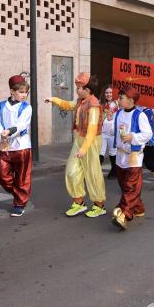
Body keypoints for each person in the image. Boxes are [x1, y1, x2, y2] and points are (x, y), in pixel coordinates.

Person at [45, 73, 106, 217]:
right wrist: (53, 99)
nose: (76, 91)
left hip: (90, 142)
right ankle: (79, 202)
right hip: (79, 139)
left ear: (87, 90)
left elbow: (92, 129)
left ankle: (99, 205)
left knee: (92, 173)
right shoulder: (81, 101)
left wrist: (84, 149)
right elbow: (68, 105)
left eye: (79, 88)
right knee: (71, 171)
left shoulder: (94, 105)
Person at [110, 86, 153, 230]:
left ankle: (124, 214)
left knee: (130, 186)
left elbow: (148, 134)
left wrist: (132, 137)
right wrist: (109, 121)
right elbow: (113, 131)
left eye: (121, 98)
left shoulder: (139, 115)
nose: (118, 100)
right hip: (120, 154)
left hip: (134, 155)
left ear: (131, 100)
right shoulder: (118, 113)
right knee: (124, 184)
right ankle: (138, 209)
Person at [0, 75, 33, 217]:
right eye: (21, 92)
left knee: (22, 177)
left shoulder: (27, 107)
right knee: (1, 175)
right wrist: (0, 135)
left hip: (22, 146)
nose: (24, 95)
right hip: (5, 146)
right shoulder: (0, 105)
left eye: (26, 92)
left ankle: (19, 204)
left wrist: (9, 132)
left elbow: (22, 124)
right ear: (12, 91)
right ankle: (19, 192)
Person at [99, 85, 119, 179]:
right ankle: (96, 172)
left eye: (110, 92)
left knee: (112, 152)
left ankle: (114, 170)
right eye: (107, 92)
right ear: (104, 93)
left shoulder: (117, 104)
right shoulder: (100, 104)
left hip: (113, 133)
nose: (108, 94)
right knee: (100, 152)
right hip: (102, 132)